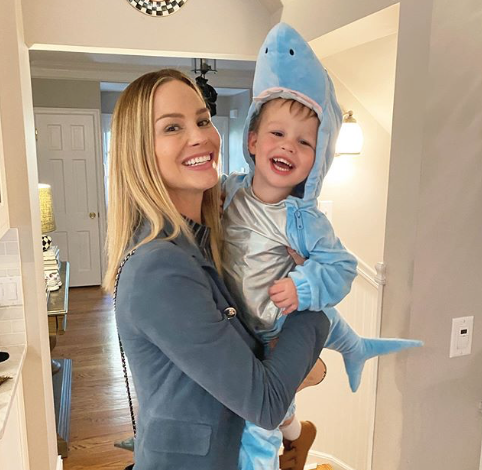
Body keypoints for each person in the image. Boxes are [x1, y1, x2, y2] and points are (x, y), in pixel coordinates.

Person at [103, 68, 331, 470]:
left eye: (202, 120)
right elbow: (264, 401)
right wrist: (315, 301)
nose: (201, 137)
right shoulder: (160, 267)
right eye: (172, 127)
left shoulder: (206, 240)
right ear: (140, 153)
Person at [222, 23, 423, 470]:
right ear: (253, 141)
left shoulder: (303, 219)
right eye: (277, 134)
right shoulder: (226, 192)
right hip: (240, 329)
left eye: (304, 141)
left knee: (257, 426)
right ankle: (301, 430)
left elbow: (342, 267)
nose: (288, 146)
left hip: (273, 335)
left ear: (318, 158)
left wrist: (304, 287)